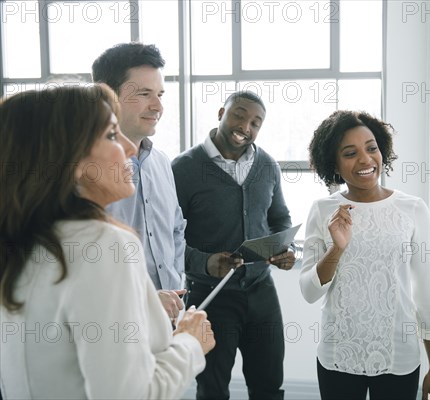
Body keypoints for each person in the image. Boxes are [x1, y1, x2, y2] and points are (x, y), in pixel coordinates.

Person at [0, 85, 215, 399]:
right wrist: (190, 342)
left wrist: (141, 305)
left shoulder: (26, 241)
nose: (130, 148)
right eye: (113, 135)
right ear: (67, 157)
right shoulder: (106, 244)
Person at [299, 110, 430, 400]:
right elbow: (309, 291)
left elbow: (425, 293)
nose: (365, 159)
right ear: (335, 164)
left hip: (398, 355)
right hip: (338, 354)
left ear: (382, 151)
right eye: (350, 153)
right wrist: (336, 249)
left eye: (372, 148)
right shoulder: (323, 210)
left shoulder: (413, 209)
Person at [171, 91, 296, 400]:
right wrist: (205, 262)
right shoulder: (183, 168)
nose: (246, 126)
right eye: (239, 114)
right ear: (220, 113)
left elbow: (280, 218)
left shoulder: (267, 165)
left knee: (268, 384)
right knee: (212, 388)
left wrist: (284, 249)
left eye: (256, 122)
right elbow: (169, 240)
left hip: (261, 293)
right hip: (210, 296)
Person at [92, 43, 187, 324]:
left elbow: (176, 230)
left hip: (170, 315)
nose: (157, 106)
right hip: (114, 321)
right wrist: (144, 299)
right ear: (107, 96)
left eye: (159, 94)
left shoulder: (161, 163)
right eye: (144, 94)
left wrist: (174, 287)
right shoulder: (83, 170)